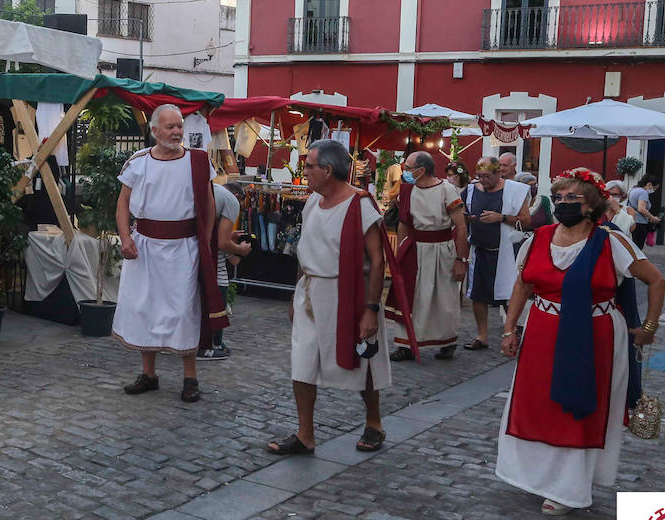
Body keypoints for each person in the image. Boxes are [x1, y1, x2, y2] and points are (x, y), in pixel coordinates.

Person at [497, 169, 665, 514]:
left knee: (577, 407)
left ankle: (567, 488)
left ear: (592, 205)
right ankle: (535, 475)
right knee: (537, 403)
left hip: (595, 334)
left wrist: (649, 326)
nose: (563, 204)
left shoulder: (611, 242)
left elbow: (657, 281)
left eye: (573, 198)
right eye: (559, 198)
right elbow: (523, 286)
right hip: (542, 329)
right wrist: (509, 328)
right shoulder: (539, 237)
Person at [270, 140, 414, 455]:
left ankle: (374, 423)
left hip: (347, 293)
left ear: (328, 170)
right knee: (302, 362)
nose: (304, 171)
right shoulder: (311, 203)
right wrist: (298, 292)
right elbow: (304, 251)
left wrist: (370, 310)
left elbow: (377, 260)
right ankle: (305, 433)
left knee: (361, 363)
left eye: (309, 166)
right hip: (310, 292)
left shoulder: (360, 205)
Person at [115, 104, 228, 402]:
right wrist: (126, 237)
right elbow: (123, 203)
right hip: (146, 248)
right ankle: (148, 374)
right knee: (145, 308)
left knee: (183, 311)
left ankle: (190, 378)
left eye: (179, 126)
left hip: (184, 249)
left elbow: (208, 205)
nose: (177, 132)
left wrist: (202, 244)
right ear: (154, 131)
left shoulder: (198, 162)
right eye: (170, 127)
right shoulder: (138, 161)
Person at [388, 151, 469, 361]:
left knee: (443, 297)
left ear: (421, 170)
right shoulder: (406, 191)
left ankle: (447, 341)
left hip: (441, 249)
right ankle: (404, 342)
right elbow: (404, 223)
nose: (404, 171)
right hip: (414, 249)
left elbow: (461, 227)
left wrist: (461, 260)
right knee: (408, 295)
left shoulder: (446, 190)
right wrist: (399, 254)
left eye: (408, 167)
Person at [462, 157, 532, 350]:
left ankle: (512, 331)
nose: (482, 180)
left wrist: (501, 217)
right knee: (478, 294)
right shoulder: (470, 190)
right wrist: (466, 218)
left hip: (505, 251)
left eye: (486, 176)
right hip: (479, 250)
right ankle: (482, 336)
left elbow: (526, 221)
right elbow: (460, 212)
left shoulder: (514, 191)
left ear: (498, 173)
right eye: (479, 176)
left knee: (508, 294)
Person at [200, 182, 251, 360]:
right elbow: (230, 253)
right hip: (217, 275)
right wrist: (241, 248)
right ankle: (214, 344)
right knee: (216, 310)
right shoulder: (229, 202)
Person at [626, 175, 662, 249]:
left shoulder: (633, 189)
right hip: (640, 223)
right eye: (654, 188)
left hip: (631, 220)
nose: (654, 190)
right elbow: (641, 208)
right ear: (649, 184)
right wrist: (653, 218)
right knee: (638, 248)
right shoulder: (643, 193)